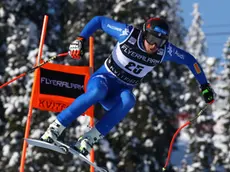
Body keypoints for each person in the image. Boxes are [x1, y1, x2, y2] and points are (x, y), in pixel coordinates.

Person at [41, 16, 215, 156]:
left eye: (160, 42)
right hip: (103, 79)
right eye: (152, 38)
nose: (154, 45)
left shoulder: (165, 51)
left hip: (119, 93)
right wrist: (80, 39)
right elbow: (99, 21)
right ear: (145, 33)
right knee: (98, 91)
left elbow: (191, 61)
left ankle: (88, 139)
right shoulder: (128, 34)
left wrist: (204, 86)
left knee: (129, 99)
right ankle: (55, 128)